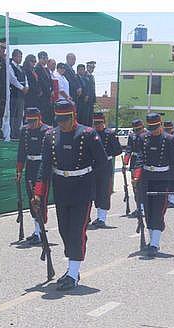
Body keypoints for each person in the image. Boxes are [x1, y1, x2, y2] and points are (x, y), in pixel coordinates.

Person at [33, 98, 105, 291]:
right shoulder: (50, 136)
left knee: (76, 231)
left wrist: (89, 181)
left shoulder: (88, 134)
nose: (62, 123)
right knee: (64, 230)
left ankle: (73, 273)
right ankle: (71, 268)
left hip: (82, 188)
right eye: (59, 119)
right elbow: (45, 166)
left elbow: (101, 162)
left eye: (66, 119)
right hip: (62, 188)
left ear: (74, 116)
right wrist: (38, 193)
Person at [131, 112, 174, 257]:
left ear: (161, 124)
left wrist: (173, 186)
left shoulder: (170, 139)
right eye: (151, 127)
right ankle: (151, 239)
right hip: (147, 177)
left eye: (155, 127)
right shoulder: (143, 138)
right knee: (148, 210)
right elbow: (140, 157)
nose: (153, 130)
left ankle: (154, 243)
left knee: (158, 211)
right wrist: (137, 175)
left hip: (163, 178)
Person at [16, 107, 52, 245]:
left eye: (33, 121)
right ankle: (37, 230)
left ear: (39, 118)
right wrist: (19, 170)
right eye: (29, 121)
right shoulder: (25, 131)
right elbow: (21, 152)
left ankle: (39, 232)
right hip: (30, 166)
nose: (31, 124)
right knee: (31, 198)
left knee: (40, 199)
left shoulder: (47, 131)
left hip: (42, 167)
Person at [90, 110, 122, 228]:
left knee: (103, 191)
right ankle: (92, 216)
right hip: (93, 166)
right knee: (93, 191)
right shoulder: (91, 133)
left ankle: (102, 218)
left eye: (100, 123)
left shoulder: (110, 134)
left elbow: (118, 150)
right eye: (96, 123)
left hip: (105, 166)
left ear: (104, 122)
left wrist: (107, 155)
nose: (98, 125)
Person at [8, 48, 28, 139]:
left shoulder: (21, 68)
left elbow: (25, 78)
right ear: (14, 57)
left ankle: (17, 132)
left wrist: (27, 86)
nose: (20, 59)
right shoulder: (10, 66)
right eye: (19, 57)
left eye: (21, 57)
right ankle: (12, 132)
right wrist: (21, 87)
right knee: (13, 114)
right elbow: (13, 79)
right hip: (14, 93)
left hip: (21, 94)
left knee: (20, 114)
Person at [33, 51, 53, 123]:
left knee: (48, 115)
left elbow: (50, 81)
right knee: (43, 115)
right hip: (42, 95)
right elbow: (41, 82)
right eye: (44, 58)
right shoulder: (37, 68)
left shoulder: (46, 69)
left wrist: (52, 90)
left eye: (46, 58)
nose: (45, 60)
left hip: (48, 96)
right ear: (40, 59)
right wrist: (48, 91)